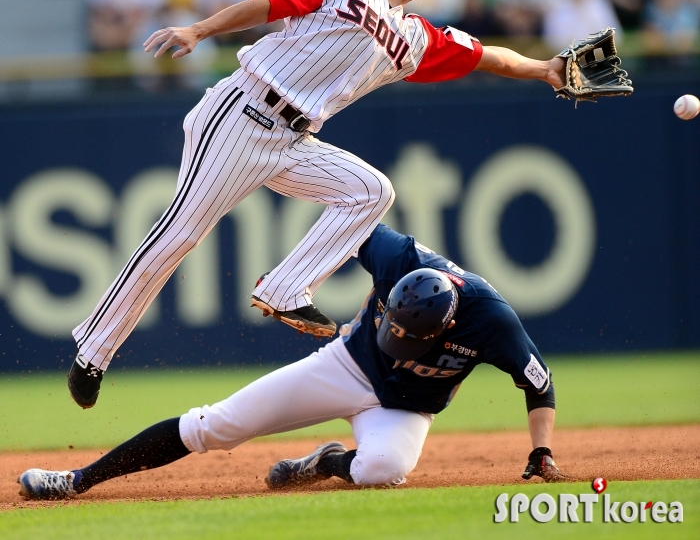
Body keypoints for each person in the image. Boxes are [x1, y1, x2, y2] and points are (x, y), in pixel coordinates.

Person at [68, 0, 568, 410]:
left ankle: (285, 287)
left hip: (293, 137)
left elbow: (487, 56)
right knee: (180, 236)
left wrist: (543, 69)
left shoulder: (413, 38)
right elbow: (272, 2)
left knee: (371, 190)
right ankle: (93, 350)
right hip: (242, 113)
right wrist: (199, 29)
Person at [19, 224, 568, 500]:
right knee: (219, 425)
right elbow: (350, 224)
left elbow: (536, 384)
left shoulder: (491, 319)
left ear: (448, 323)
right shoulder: (399, 258)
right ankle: (76, 480)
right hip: (347, 366)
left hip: (406, 409)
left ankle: (325, 463)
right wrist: (302, 281)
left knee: (382, 471)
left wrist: (541, 451)